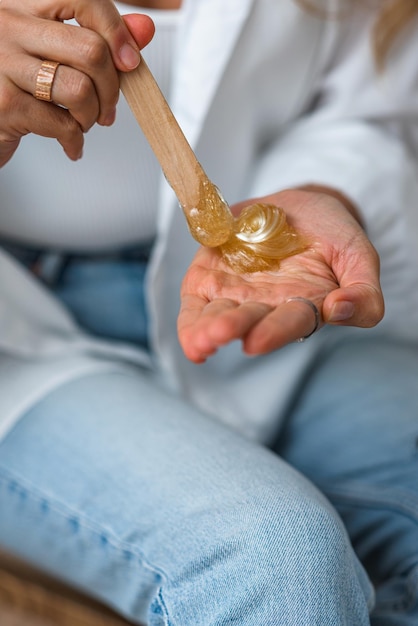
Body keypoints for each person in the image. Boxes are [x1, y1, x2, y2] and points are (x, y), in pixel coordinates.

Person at [0, 0, 417, 624]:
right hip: (19, 334)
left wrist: (322, 190)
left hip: (251, 293)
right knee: (278, 563)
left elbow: (365, 106)